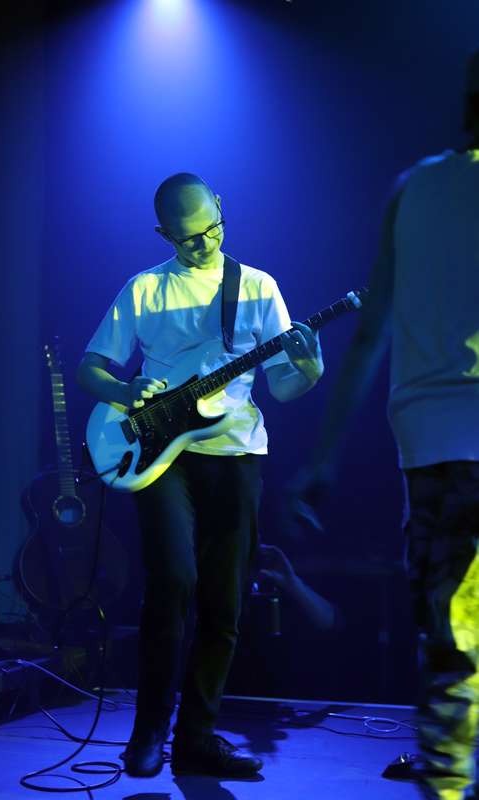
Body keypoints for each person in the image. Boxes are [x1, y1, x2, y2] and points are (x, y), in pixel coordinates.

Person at [76, 172, 324, 778]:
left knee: (224, 602)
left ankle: (197, 738)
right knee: (173, 582)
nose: (205, 242)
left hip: (237, 453)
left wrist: (310, 368)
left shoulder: (259, 286)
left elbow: (283, 387)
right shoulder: (145, 289)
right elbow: (90, 368)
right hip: (161, 455)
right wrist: (126, 390)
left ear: (221, 207)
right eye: (188, 238)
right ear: (164, 234)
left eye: (212, 227)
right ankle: (147, 734)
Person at [289, 53, 479, 800]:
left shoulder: (414, 187)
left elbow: (370, 333)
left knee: (451, 638)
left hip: (431, 444)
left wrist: (324, 457)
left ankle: (446, 781)